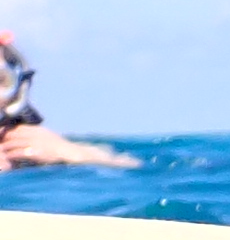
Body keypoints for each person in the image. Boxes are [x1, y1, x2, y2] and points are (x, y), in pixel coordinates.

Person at [0, 32, 137, 169]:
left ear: (18, 89)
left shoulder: (31, 143)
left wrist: (71, 154)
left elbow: (130, 166)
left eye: (1, 79)